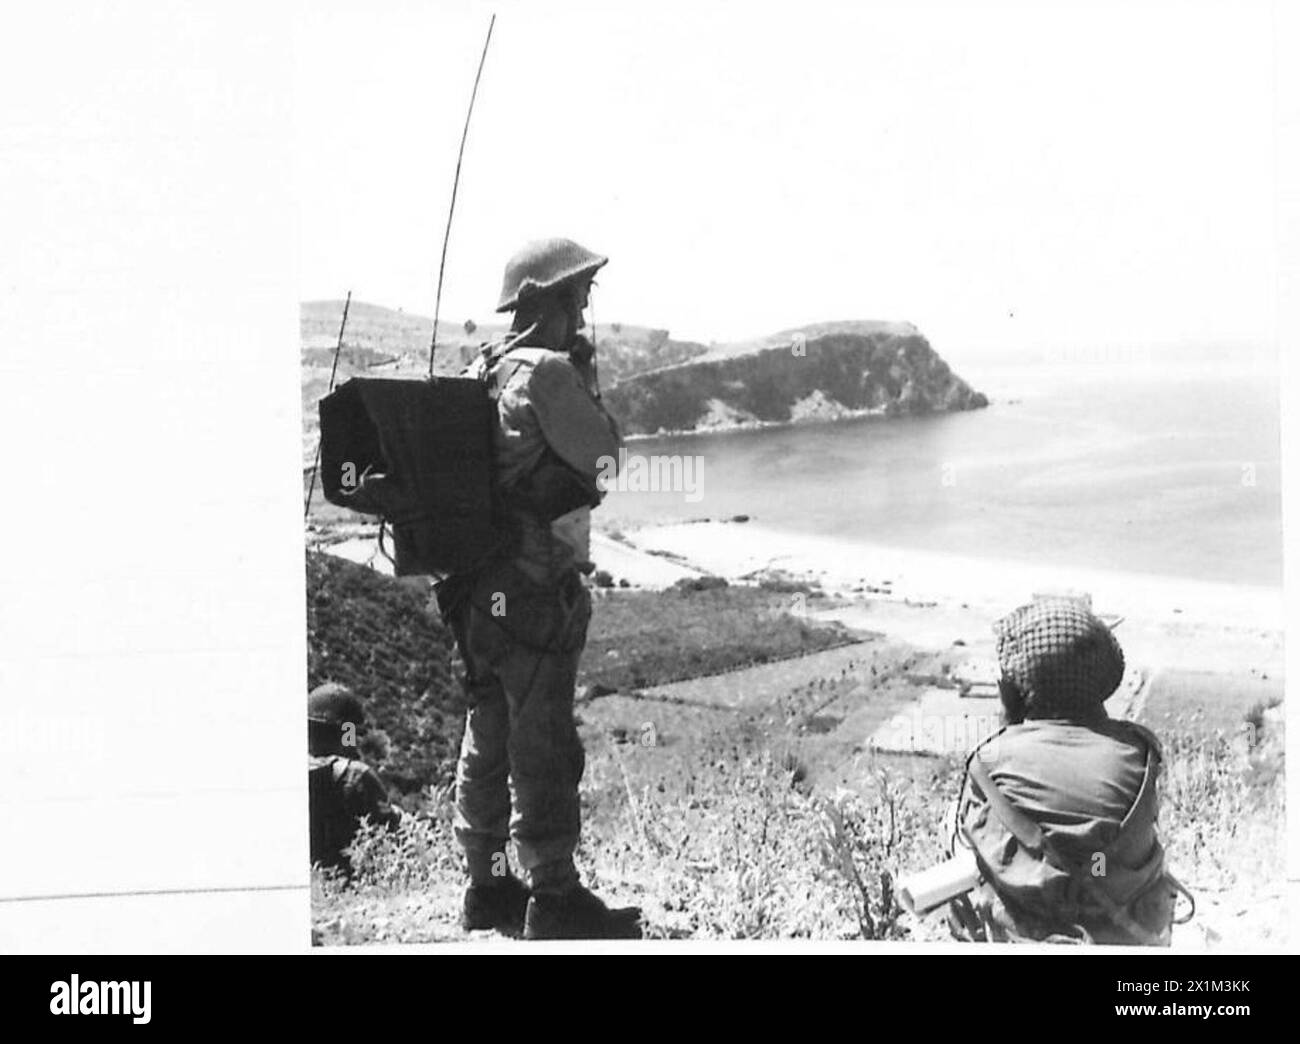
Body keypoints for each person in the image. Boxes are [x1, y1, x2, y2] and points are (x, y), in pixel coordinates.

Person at [436, 238, 642, 940]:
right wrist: (588, 384)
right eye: (575, 300)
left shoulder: (484, 370)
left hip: (477, 593)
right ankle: (553, 896)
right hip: (530, 587)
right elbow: (606, 457)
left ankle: (486, 886)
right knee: (543, 740)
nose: (581, 315)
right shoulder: (549, 373)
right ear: (545, 303)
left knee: (487, 733)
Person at [945, 598, 1189, 944]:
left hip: (1029, 932)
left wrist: (1010, 718)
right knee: (1101, 861)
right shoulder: (1141, 751)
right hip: (1124, 926)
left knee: (957, 831)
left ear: (1015, 687)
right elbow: (1126, 842)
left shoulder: (989, 763)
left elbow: (985, 847)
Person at [308, 681, 402, 877]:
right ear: (347, 732)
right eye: (351, 732)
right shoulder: (357, 776)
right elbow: (390, 828)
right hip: (349, 880)